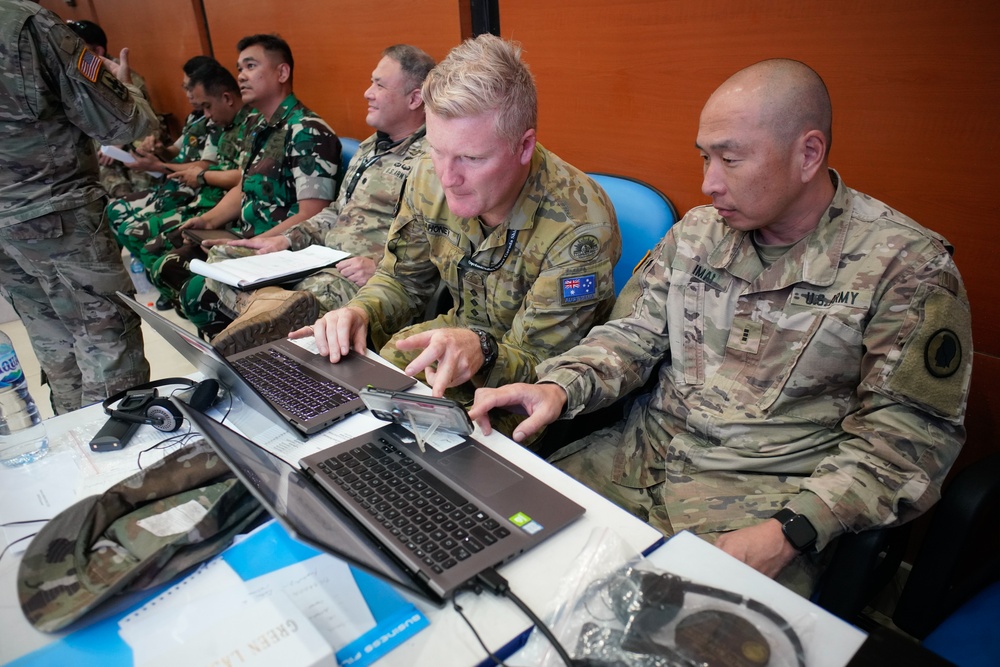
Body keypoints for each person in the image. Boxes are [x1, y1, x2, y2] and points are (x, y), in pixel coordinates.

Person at [469, 58, 973, 596]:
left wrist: (792, 530)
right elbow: (631, 337)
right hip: (628, 463)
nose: (708, 183)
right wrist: (558, 386)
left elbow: (908, 439)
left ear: (808, 154)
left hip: (759, 510)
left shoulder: (907, 268)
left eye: (730, 159)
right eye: (705, 157)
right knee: (481, 559)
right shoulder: (697, 235)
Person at [306, 34, 621, 443]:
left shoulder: (579, 224)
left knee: (446, 454)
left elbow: (546, 365)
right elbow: (403, 280)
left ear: (524, 146)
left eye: (472, 158)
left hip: (532, 390)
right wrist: (360, 311)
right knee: (361, 405)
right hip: (455, 341)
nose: (448, 178)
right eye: (437, 149)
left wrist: (483, 349)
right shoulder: (426, 175)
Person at [199, 44, 435, 356]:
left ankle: (266, 322)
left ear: (415, 98)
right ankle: (268, 312)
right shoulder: (369, 148)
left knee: (314, 298)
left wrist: (378, 267)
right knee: (222, 258)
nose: (367, 92)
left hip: (356, 275)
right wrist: (284, 241)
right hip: (318, 256)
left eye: (379, 84)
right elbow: (337, 210)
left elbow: (438, 243)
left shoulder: (432, 161)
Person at [0, 0, 158, 414]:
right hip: (56, 215)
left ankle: (74, 453)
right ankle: (117, 468)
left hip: (5, 234)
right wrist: (126, 87)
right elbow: (121, 124)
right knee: (105, 339)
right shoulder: (27, 22)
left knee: (53, 341)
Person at [151, 33, 342, 331]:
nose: (241, 76)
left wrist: (254, 245)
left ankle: (250, 350)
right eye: (240, 68)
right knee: (168, 259)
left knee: (194, 290)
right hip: (248, 239)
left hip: (281, 252)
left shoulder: (306, 131)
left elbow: (312, 214)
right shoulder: (260, 129)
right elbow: (244, 186)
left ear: (282, 72)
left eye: (251, 66)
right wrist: (207, 219)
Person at [114, 63, 252, 294]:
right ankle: (175, 294)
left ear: (226, 98)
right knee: (127, 222)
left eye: (206, 105)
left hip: (219, 204)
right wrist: (162, 156)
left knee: (150, 245)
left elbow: (241, 176)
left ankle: (179, 298)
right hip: (206, 199)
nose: (205, 114)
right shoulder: (219, 125)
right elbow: (194, 159)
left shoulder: (251, 124)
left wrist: (189, 174)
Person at [66, 19, 158, 198]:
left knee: (142, 181)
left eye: (80, 49)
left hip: (134, 143)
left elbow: (143, 123)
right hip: (103, 150)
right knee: (106, 179)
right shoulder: (79, 78)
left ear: (98, 51)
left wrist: (116, 144)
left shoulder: (124, 75)